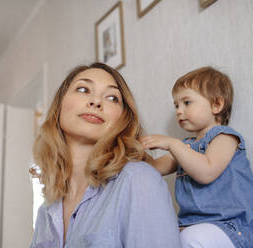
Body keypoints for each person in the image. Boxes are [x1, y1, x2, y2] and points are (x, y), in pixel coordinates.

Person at [30, 62, 182, 248]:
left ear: (123, 119)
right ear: (59, 106)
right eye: (83, 89)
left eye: (112, 97)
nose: (96, 102)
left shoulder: (138, 179)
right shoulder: (47, 210)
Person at [140, 67, 253, 248]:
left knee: (190, 239)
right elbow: (155, 168)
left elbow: (206, 171)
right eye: (176, 105)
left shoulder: (225, 137)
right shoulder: (186, 146)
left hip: (232, 228)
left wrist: (172, 144)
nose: (179, 111)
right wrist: (134, 150)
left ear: (216, 105)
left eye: (187, 102)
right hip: (194, 228)